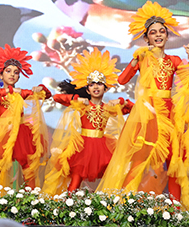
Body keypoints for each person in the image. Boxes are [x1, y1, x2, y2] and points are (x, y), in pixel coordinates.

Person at [97, 2, 189, 209]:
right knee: (140, 158)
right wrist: (135, 60)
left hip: (169, 112)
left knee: (173, 159)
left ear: (167, 36)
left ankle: (176, 209)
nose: (158, 35)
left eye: (162, 31)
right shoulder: (143, 57)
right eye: (153, 32)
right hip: (147, 112)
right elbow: (122, 80)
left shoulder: (174, 60)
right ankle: (122, 203)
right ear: (146, 38)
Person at [44, 49, 134, 194]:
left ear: (105, 88)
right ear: (87, 89)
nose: (96, 87)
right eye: (92, 84)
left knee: (113, 176)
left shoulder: (109, 107)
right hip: (83, 146)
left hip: (103, 147)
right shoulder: (83, 105)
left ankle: (111, 203)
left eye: (99, 84)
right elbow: (57, 98)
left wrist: (122, 101)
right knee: (76, 178)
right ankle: (68, 202)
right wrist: (76, 99)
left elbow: (134, 109)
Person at [0, 45, 49, 193]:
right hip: (3, 134)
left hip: (21, 134)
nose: (12, 75)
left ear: (19, 76)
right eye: (8, 71)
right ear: (0, 75)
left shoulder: (21, 93)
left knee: (28, 170)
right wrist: (10, 90)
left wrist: (41, 87)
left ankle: (32, 202)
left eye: (16, 72)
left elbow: (46, 95)